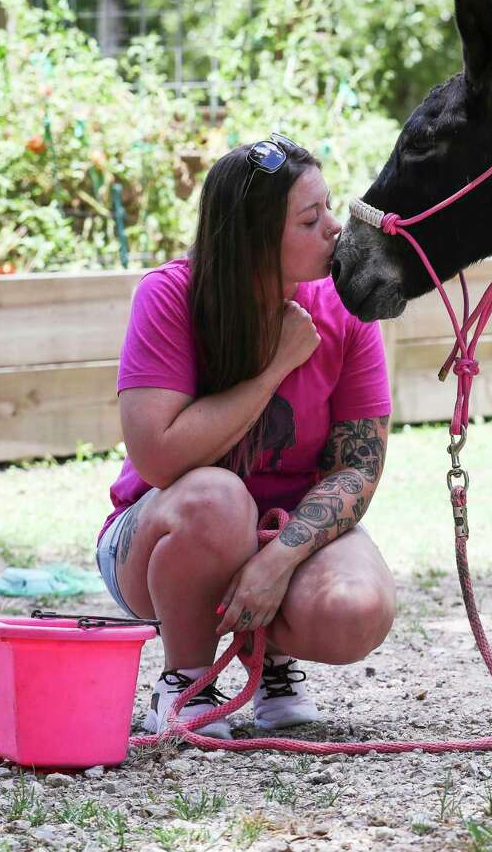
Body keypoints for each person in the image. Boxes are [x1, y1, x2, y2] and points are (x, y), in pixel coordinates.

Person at [95, 134, 396, 739]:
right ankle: (186, 678)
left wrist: (278, 561)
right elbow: (157, 459)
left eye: (329, 209)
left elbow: (358, 469)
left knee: (357, 610)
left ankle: (269, 662)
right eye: (311, 220)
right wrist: (275, 368)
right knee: (217, 498)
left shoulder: (344, 307)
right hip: (163, 537)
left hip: (285, 529)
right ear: (254, 236)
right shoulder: (169, 295)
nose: (335, 229)